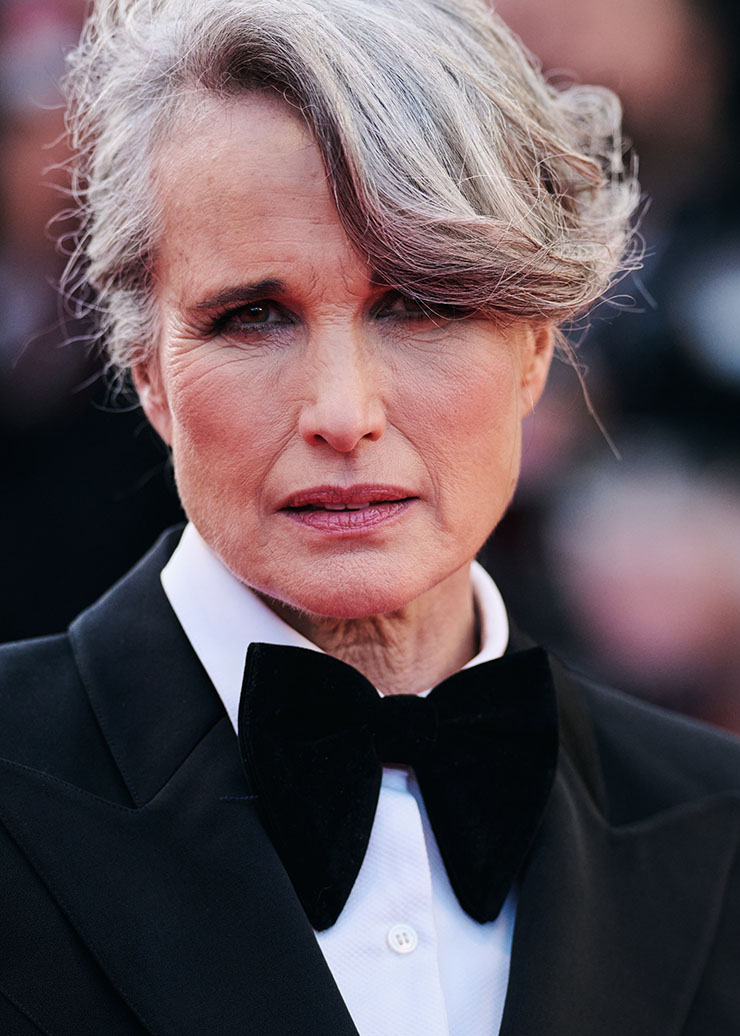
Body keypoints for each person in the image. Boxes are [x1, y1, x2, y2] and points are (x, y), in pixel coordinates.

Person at [0, 1, 738, 1034]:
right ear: (148, 370)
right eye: (252, 316)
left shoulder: (719, 828)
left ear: (536, 347)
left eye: (421, 304)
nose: (343, 413)